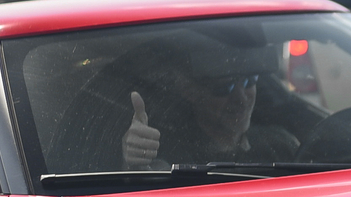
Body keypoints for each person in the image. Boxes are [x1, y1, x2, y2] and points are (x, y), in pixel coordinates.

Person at [121, 33, 297, 168]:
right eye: (224, 88)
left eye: (249, 81)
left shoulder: (280, 143)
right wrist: (133, 162)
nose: (241, 98)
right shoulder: (171, 159)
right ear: (190, 92)